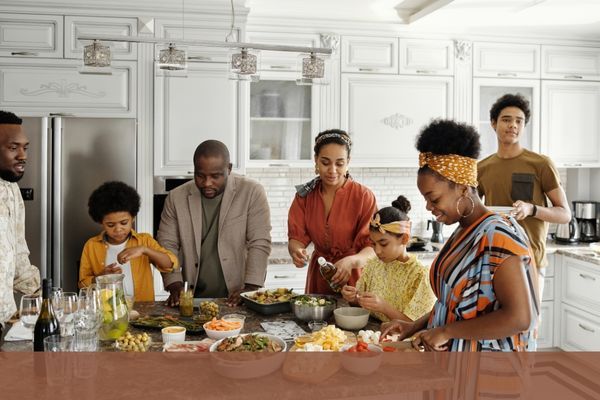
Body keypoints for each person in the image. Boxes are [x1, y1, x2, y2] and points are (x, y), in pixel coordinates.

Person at [382, 119, 539, 352]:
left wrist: (447, 331)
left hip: (490, 376)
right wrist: (413, 326)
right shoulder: (463, 230)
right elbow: (452, 302)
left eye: (433, 199)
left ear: (463, 188)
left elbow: (520, 318)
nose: (428, 207)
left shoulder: (500, 235)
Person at [157, 140, 272, 307]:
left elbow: (259, 242)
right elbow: (167, 244)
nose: (207, 183)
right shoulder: (176, 197)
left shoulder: (252, 192)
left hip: (238, 296)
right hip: (193, 298)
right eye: (200, 175)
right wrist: (174, 284)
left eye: (215, 176)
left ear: (229, 169)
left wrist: (251, 288)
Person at [478, 93, 570, 299]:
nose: (513, 125)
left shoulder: (541, 164)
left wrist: (532, 209)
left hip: (530, 258)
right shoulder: (482, 168)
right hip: (494, 258)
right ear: (493, 124)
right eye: (506, 119)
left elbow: (565, 214)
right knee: (494, 327)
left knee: (528, 327)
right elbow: (474, 212)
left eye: (519, 121)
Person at [288, 129, 377, 294]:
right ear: (316, 161)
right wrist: (297, 251)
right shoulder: (304, 197)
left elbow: (372, 247)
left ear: (348, 162)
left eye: (339, 163)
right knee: (317, 319)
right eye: (325, 162)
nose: (332, 170)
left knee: (352, 319)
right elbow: (296, 238)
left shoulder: (364, 197)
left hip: (354, 278)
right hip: (319, 275)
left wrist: (351, 261)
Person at [341, 196, 436, 322]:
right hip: (371, 335)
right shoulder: (373, 264)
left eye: (383, 243)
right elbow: (361, 306)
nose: (377, 251)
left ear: (404, 239)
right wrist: (354, 298)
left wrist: (384, 307)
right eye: (373, 244)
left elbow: (415, 325)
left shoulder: (421, 275)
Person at [78, 181, 178, 302]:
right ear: (100, 222)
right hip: (106, 311)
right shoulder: (91, 246)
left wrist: (144, 250)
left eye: (124, 223)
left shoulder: (144, 241)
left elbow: (170, 264)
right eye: (110, 225)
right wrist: (100, 278)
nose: (118, 229)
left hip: (142, 311)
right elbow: (82, 285)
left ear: (133, 218)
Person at [0, 110, 40, 343]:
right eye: (13, 148)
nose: (23, 155)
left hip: (5, 323)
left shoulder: (11, 190)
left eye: (25, 148)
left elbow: (17, 258)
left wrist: (43, 299)